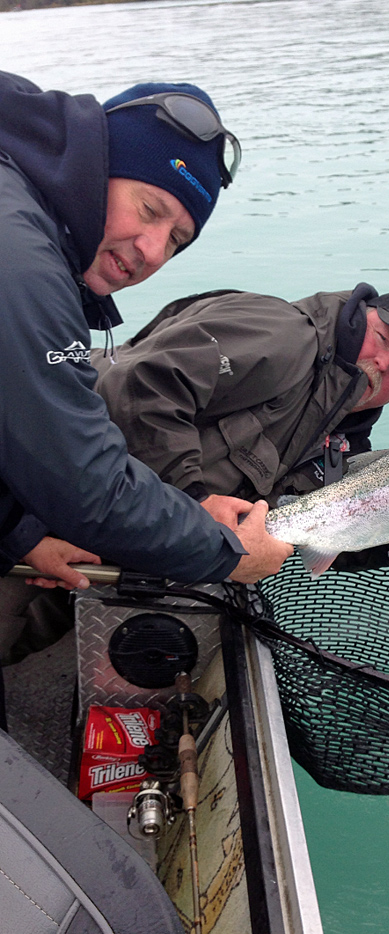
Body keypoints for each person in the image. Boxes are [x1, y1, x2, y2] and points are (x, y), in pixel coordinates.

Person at [0, 72, 292, 611]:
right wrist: (225, 551)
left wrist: (18, 534)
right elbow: (85, 485)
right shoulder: (23, 265)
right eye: (149, 209)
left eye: (178, 239)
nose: (154, 251)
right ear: (99, 166)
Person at [93, 281, 389, 572]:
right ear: (359, 315)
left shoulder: (344, 442)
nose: (382, 364)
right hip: (73, 490)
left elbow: (332, 535)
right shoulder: (282, 335)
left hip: (154, 545)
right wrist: (194, 501)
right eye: (383, 340)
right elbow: (138, 386)